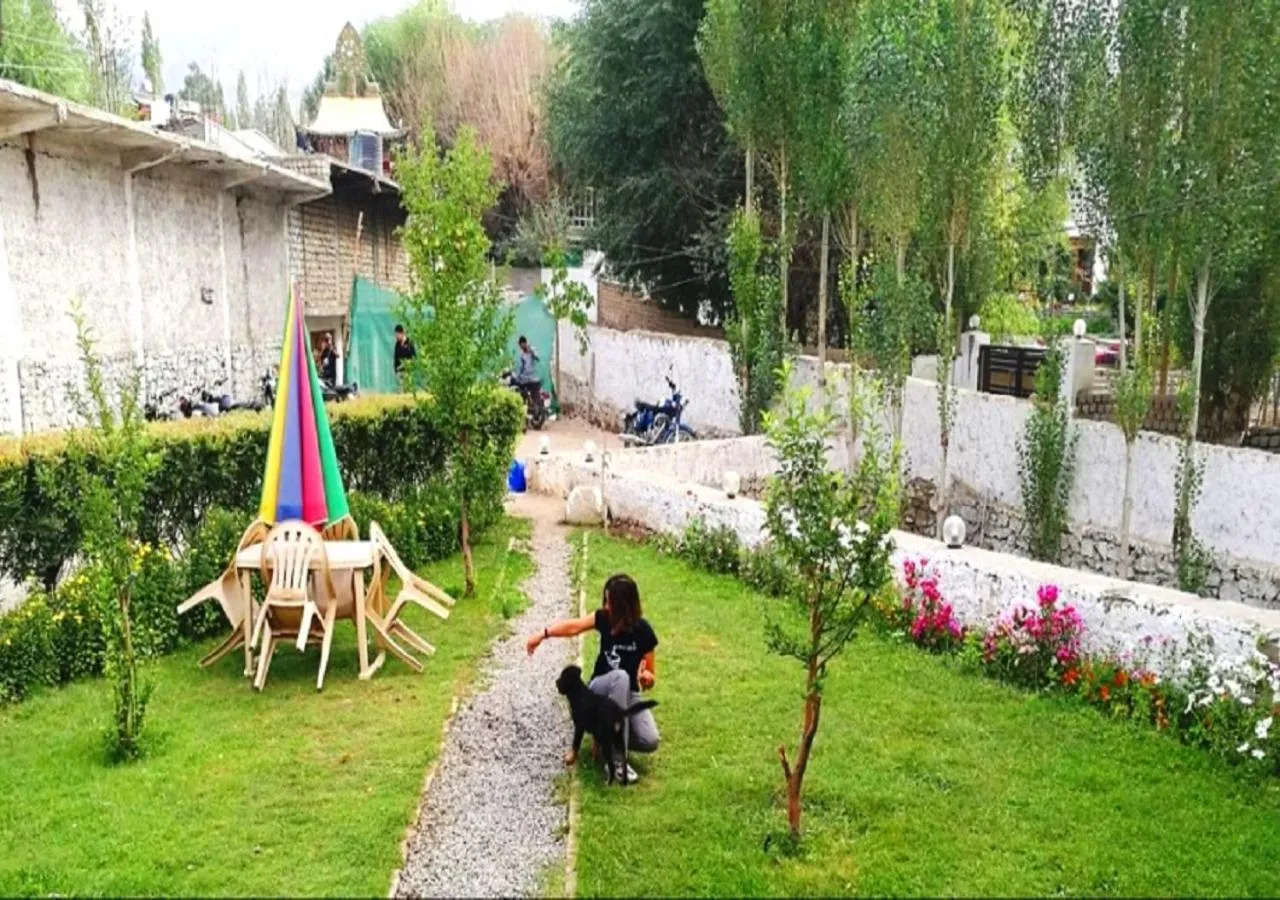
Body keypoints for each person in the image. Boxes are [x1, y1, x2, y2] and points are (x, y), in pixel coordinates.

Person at [527, 573, 659, 782]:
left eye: (610, 601)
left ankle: (602, 733)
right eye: (605, 600)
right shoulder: (604, 619)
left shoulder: (644, 631)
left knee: (649, 740)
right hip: (600, 689)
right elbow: (574, 627)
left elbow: (650, 676)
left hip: (629, 693)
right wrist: (543, 634)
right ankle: (616, 761)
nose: (606, 606)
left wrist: (647, 677)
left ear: (625, 605)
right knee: (621, 677)